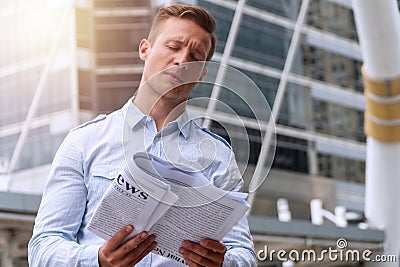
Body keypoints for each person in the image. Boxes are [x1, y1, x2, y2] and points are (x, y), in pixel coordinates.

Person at [28, 4, 257, 267]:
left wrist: (222, 263)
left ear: (201, 75)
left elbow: (244, 254)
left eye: (195, 57)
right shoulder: (84, 142)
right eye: (173, 47)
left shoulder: (218, 156)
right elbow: (43, 248)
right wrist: (98, 260)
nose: (182, 61)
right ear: (144, 49)